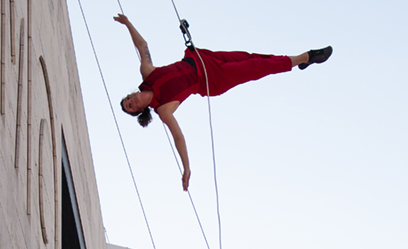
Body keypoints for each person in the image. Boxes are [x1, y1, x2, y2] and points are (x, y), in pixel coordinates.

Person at [115, 14, 333, 191]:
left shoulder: (147, 73)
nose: (131, 101)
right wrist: (187, 167)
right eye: (131, 106)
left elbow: (142, 44)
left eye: (127, 100)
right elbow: (179, 138)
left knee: (252, 57)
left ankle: (295, 61)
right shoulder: (163, 109)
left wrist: (127, 24)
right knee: (256, 67)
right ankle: (305, 57)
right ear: (140, 111)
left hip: (201, 58)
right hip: (213, 80)